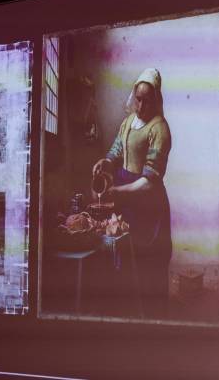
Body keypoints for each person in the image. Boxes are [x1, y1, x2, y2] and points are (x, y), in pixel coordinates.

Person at [92, 68, 172, 318]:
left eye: (147, 99)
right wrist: (105, 162)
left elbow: (149, 182)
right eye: (138, 97)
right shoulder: (128, 122)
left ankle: (152, 315)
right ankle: (127, 309)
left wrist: (117, 191)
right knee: (125, 255)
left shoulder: (159, 129)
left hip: (147, 202)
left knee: (149, 259)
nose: (141, 104)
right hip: (125, 197)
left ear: (156, 98)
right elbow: (116, 151)